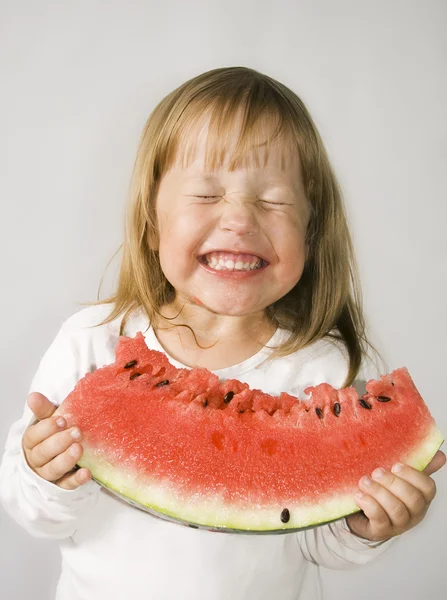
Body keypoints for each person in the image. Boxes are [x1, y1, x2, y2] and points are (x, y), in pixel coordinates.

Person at [0, 66, 444, 600]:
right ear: (150, 222)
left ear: (310, 228)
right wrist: (42, 474)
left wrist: (366, 525)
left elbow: (316, 536)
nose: (239, 219)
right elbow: (36, 517)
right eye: (207, 195)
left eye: (274, 200)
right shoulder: (92, 342)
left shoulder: (327, 370)